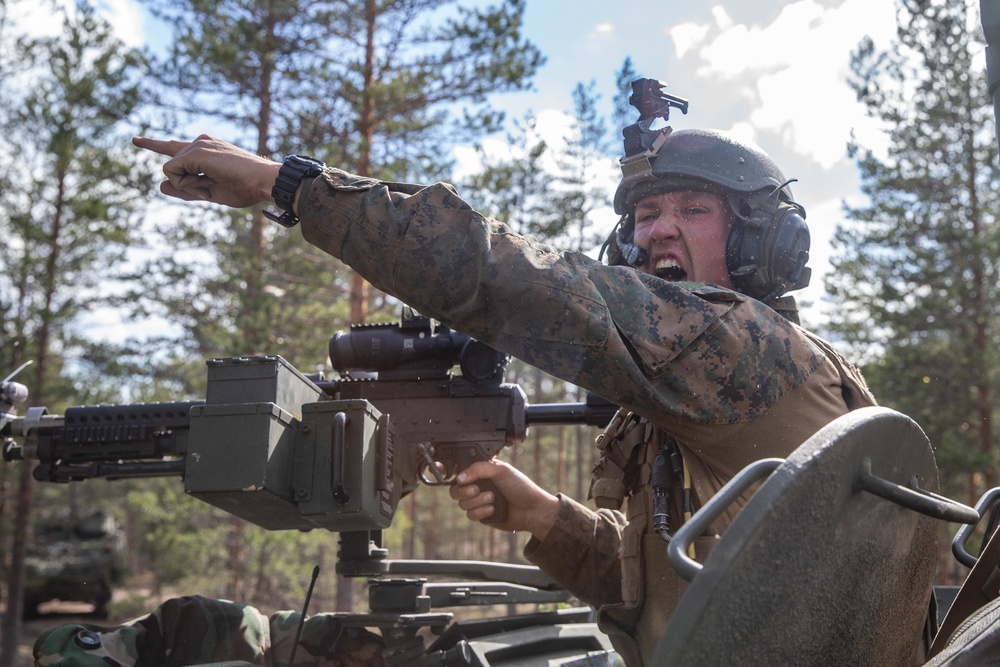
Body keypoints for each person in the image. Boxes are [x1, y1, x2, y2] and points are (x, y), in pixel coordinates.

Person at [38, 116, 872, 666]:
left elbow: (504, 277)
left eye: (693, 209)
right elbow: (657, 592)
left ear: (767, 243)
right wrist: (546, 517)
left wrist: (286, 186)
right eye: (648, 215)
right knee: (262, 640)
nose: (658, 229)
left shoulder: (744, 344)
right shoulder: (695, 401)